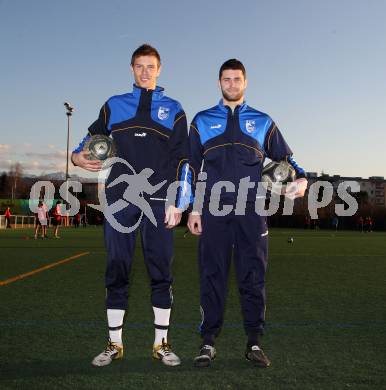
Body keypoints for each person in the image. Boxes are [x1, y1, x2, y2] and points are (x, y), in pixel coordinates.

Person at [71, 44, 188, 367]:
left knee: (161, 272)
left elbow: (183, 160)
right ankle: (114, 344)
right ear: (132, 69)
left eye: (150, 66)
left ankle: (161, 344)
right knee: (117, 269)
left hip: (158, 201)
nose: (145, 72)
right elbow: (91, 138)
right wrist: (76, 156)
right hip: (120, 199)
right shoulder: (114, 105)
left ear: (160, 69)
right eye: (139, 66)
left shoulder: (174, 109)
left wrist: (178, 202)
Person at [186, 59, 308, 368]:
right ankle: (208, 342)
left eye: (236, 79)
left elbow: (287, 160)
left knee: (252, 276)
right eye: (226, 79)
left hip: (252, 209)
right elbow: (190, 167)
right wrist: (193, 208)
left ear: (245, 82)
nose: (231, 84)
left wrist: (302, 178)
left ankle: (254, 342)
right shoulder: (201, 120)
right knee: (212, 275)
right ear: (218, 83)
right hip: (213, 209)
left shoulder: (262, 121)